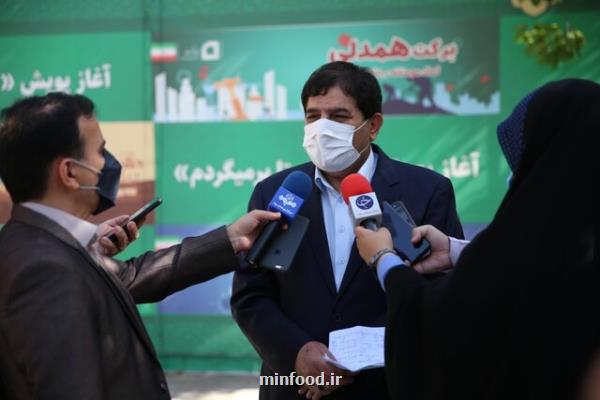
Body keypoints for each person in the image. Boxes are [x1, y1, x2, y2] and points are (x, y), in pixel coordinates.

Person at [0, 93, 280, 400]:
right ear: (69, 172)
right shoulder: (44, 268)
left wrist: (231, 239)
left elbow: (128, 278)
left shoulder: (51, 245)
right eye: (100, 151)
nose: (109, 162)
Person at [355, 78, 600, 400]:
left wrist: (383, 259)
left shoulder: (525, 241)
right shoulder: (567, 238)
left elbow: (439, 325)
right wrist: (456, 252)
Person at [231, 61, 464, 400]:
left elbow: (441, 297)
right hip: (293, 386)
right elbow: (250, 294)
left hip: (387, 387)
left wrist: (371, 356)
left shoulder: (427, 191)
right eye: (313, 116)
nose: (322, 128)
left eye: (339, 117)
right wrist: (296, 353)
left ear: (373, 126)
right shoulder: (275, 193)